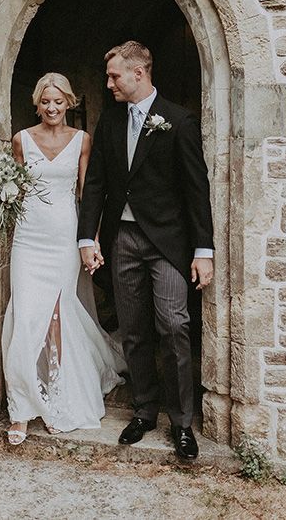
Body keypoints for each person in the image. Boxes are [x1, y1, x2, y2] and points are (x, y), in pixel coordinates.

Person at [77, 41, 214, 460]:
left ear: (140, 73)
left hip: (168, 243)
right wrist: (88, 237)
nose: (109, 82)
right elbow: (97, 182)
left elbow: (196, 189)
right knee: (134, 330)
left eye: (115, 75)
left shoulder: (178, 120)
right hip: (124, 240)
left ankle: (182, 422)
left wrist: (203, 249)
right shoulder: (112, 122)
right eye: (108, 76)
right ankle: (144, 410)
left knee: (173, 326)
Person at [2, 72, 125, 446]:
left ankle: (54, 400)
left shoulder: (82, 141)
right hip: (28, 237)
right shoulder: (21, 140)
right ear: (37, 104)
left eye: (58, 101)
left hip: (64, 237)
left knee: (55, 319)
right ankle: (20, 408)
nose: (51, 108)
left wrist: (92, 241)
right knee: (25, 317)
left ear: (68, 103)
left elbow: (88, 195)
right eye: (45, 102)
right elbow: (15, 187)